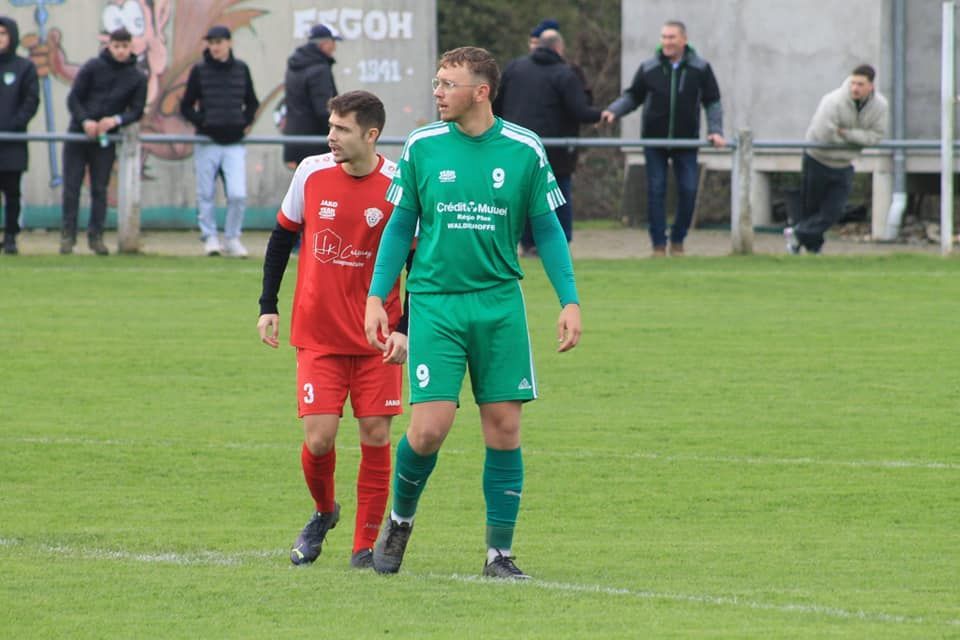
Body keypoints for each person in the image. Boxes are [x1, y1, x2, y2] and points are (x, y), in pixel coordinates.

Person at [364, 46, 582, 580]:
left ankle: (498, 555)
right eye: (436, 81)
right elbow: (399, 227)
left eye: (447, 83)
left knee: (505, 427)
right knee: (429, 429)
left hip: (500, 303)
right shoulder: (422, 145)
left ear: (481, 91)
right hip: (436, 303)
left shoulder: (525, 148)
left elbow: (548, 230)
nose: (437, 92)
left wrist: (569, 300)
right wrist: (377, 296)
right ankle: (399, 519)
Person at [257, 90, 411, 570]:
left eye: (342, 129)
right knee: (319, 439)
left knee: (375, 435)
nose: (331, 137)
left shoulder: (399, 184)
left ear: (371, 134)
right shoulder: (310, 172)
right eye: (330, 126)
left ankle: (364, 547)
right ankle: (324, 512)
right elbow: (282, 236)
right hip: (319, 335)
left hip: (376, 339)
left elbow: (419, 261)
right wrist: (268, 305)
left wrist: (404, 326)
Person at [601, 20, 725, 257]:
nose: (667, 42)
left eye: (671, 37)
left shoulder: (700, 68)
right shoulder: (649, 67)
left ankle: (678, 240)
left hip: (686, 142)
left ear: (684, 40)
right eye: (664, 37)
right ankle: (658, 244)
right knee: (656, 190)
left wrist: (715, 130)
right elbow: (633, 96)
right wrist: (614, 111)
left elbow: (713, 102)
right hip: (654, 142)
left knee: (688, 190)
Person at [494, 28, 600, 254]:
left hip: (516, 148)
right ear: (559, 48)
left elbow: (496, 105)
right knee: (557, 196)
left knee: (520, 198)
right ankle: (558, 244)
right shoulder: (565, 73)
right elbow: (579, 110)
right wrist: (602, 115)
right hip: (556, 151)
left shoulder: (514, 68)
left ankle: (528, 244)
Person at [785, 64, 888, 255]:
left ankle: (797, 233)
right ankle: (811, 248)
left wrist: (846, 134)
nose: (855, 88)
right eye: (853, 83)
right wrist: (857, 139)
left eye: (860, 84)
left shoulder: (880, 106)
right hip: (817, 159)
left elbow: (875, 137)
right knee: (812, 209)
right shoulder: (832, 101)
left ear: (870, 86)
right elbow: (825, 134)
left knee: (834, 211)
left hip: (844, 164)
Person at [60, 28, 145, 256]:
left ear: (131, 47)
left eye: (124, 47)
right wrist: (85, 120)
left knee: (100, 189)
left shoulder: (137, 77)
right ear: (109, 46)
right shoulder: (92, 67)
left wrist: (115, 120)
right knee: (71, 187)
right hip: (78, 135)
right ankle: (68, 235)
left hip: (105, 140)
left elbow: (136, 111)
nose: (120, 51)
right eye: (116, 46)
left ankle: (95, 237)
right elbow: (74, 98)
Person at [180, 25, 259, 257]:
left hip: (234, 142)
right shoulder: (199, 70)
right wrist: (203, 123)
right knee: (205, 193)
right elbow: (186, 105)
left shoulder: (242, 69)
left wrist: (243, 122)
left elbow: (252, 102)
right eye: (211, 42)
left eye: (219, 42)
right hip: (207, 142)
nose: (215, 47)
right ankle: (210, 237)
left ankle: (232, 238)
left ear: (229, 43)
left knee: (237, 194)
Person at [0, 16, 39, 256]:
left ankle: (11, 236)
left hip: (12, 142)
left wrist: (14, 126)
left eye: (3, 34)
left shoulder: (24, 67)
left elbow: (31, 100)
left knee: (12, 191)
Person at [282, 23, 341, 169]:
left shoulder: (294, 65)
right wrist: (337, 135)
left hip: (295, 140)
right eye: (333, 42)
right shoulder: (320, 69)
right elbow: (323, 109)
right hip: (317, 143)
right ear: (324, 43)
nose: (335, 48)